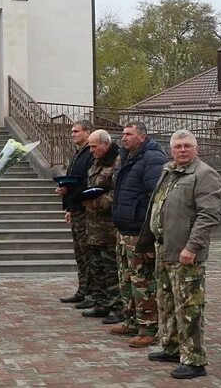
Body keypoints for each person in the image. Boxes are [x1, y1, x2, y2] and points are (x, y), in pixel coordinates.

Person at [139, 130, 221, 379]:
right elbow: (158, 207)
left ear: (196, 149)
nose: (182, 150)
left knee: (189, 307)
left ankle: (195, 360)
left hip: (186, 254)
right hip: (164, 250)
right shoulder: (169, 171)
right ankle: (172, 346)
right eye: (178, 146)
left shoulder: (204, 174)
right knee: (167, 303)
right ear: (171, 149)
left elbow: (208, 216)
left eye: (187, 146)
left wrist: (192, 247)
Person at [110, 121, 167, 347]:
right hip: (123, 230)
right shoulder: (127, 156)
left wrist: (150, 235)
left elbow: (155, 197)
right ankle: (131, 320)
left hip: (139, 232)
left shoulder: (152, 158)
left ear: (141, 137)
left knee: (142, 282)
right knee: (126, 280)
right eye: (123, 134)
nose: (123, 138)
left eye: (128, 134)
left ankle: (149, 328)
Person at [79, 130, 121, 320]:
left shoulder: (117, 162)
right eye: (90, 147)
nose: (91, 150)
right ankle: (100, 303)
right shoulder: (97, 160)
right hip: (93, 225)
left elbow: (117, 193)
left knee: (110, 269)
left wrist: (97, 202)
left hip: (108, 227)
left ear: (106, 144)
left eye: (94, 147)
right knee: (96, 267)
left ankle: (116, 308)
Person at [57, 121, 94, 306]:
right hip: (76, 208)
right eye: (72, 131)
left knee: (87, 253)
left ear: (87, 133)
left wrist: (69, 190)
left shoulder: (90, 153)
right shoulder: (77, 153)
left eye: (76, 131)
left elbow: (88, 182)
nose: (72, 134)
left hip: (86, 208)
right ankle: (82, 290)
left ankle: (91, 293)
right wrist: (68, 205)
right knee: (80, 253)